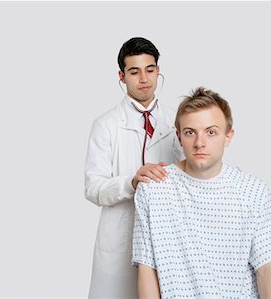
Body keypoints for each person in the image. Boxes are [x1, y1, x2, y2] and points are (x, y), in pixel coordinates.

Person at [132, 87, 271, 298]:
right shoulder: (153, 189)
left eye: (211, 132)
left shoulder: (254, 191)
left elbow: (267, 269)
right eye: (190, 132)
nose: (199, 143)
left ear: (228, 136)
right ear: (178, 137)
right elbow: (147, 269)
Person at [85, 37, 184, 298]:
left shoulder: (176, 121)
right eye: (134, 71)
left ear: (158, 71)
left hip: (168, 236)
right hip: (120, 238)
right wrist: (131, 182)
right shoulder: (105, 125)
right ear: (122, 75)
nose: (144, 78)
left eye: (150, 70)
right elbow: (93, 188)